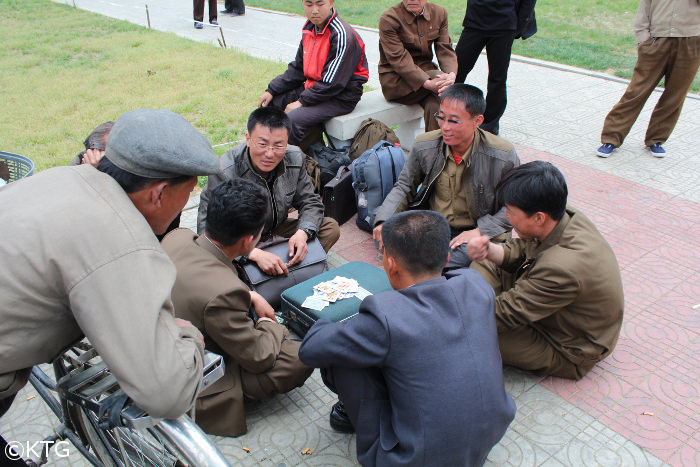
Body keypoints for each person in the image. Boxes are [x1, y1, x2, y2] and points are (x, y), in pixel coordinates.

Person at [0, 109, 222, 430]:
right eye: (188, 192)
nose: (187, 200)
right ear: (158, 194)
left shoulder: (64, 175)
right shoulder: (121, 240)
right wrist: (186, 336)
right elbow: (166, 392)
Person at [299, 210, 515, 466]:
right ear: (447, 257)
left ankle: (351, 416)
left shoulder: (384, 315)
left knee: (341, 354)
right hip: (490, 434)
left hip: (413, 459)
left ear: (390, 263)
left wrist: (341, 324)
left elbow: (311, 349)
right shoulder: (476, 285)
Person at [162, 179, 312, 437]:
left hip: (163, 338)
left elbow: (211, 281)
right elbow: (260, 356)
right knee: (300, 356)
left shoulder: (178, 236)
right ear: (248, 242)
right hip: (188, 376)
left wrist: (250, 294)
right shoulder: (223, 294)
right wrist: (269, 325)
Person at [468, 161, 624, 380]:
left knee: (474, 333)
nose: (507, 219)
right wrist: (492, 251)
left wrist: (450, 319)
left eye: (511, 213)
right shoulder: (563, 216)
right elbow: (525, 248)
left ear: (538, 217)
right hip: (548, 306)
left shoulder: (562, 266)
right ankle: (472, 304)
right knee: (488, 258)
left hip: (566, 347)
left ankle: (469, 309)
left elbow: (505, 314)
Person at [372, 83, 520, 269]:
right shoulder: (426, 145)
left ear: (477, 121)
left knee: (438, 262)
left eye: (454, 121)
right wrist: (384, 220)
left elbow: (516, 207)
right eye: (441, 118)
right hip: (434, 227)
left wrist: (479, 231)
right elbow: (404, 186)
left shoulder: (502, 155)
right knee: (388, 232)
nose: (445, 127)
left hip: (476, 233)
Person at [198, 107, 340, 276]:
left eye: (278, 145)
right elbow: (205, 229)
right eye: (262, 144)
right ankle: (255, 276)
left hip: (276, 228)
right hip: (242, 239)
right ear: (248, 139)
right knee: (219, 264)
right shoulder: (224, 170)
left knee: (329, 228)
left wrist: (303, 232)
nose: (269, 154)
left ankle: (290, 270)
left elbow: (310, 201)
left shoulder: (295, 158)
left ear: (287, 143)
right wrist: (250, 253)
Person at [257, 0, 369, 149]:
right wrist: (272, 89)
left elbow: (332, 84)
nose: (314, 10)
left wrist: (301, 102)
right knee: (272, 105)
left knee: (293, 119)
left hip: (340, 96)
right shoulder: (310, 29)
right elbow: (298, 68)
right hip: (314, 89)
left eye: (320, 4)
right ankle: (264, 154)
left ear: (331, 3)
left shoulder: (342, 35)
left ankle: (289, 164)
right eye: (309, 5)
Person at [596, 0, 700, 158]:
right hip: (656, 40)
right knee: (636, 91)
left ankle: (656, 139)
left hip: (691, 40)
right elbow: (644, 6)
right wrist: (642, 37)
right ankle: (611, 138)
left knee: (675, 95)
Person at [454, 0, 537, 135]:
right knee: (456, 71)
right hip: (475, 21)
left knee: (497, 79)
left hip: (504, 25)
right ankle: (451, 114)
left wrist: (518, 25)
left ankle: (489, 127)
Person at [378, 0, 458, 132]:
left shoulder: (439, 13)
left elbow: (445, 49)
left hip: (427, 75)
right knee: (444, 89)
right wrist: (427, 83)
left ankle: (433, 148)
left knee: (437, 102)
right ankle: (438, 146)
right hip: (396, 80)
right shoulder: (389, 19)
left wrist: (451, 75)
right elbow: (399, 60)